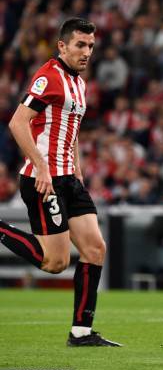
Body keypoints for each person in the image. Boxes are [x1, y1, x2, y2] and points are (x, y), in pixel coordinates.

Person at [0, 18, 121, 346]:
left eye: (91, 46)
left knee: (95, 249)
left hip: (69, 178)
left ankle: (81, 333)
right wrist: (41, 167)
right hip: (45, 181)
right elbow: (17, 122)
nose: (86, 52)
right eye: (80, 45)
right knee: (55, 262)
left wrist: (78, 169)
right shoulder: (48, 76)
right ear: (62, 46)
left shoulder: (79, 83)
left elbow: (71, 131)